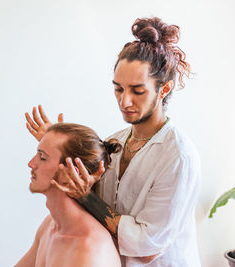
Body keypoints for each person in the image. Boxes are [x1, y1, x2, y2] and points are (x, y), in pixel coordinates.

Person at [25, 17, 201, 266]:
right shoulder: (114, 143)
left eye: (137, 91)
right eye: (118, 89)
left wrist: (87, 197)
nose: (124, 101)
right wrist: (56, 147)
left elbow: (147, 247)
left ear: (164, 89)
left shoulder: (178, 157)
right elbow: (77, 189)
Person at [16, 123, 121, 267]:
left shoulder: (89, 250)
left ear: (70, 174)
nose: (31, 164)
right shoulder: (51, 225)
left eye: (42, 157)